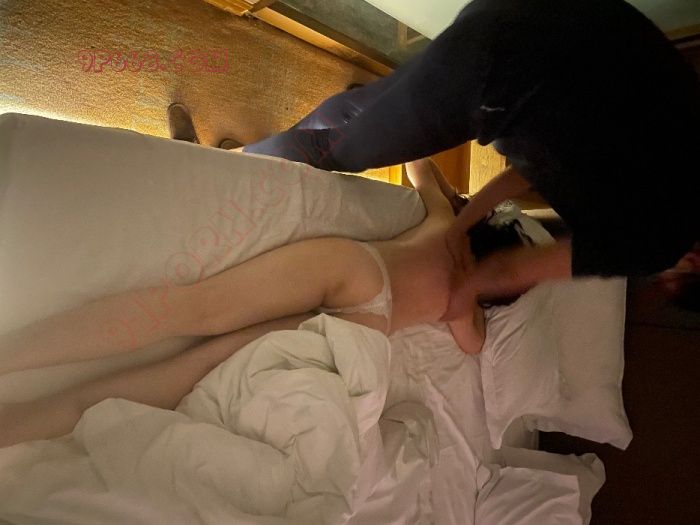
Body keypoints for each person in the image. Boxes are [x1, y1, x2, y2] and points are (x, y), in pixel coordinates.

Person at [0, 159, 533, 447]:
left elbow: (420, 164)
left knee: (192, 308)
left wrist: (458, 201)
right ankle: (21, 422)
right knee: (190, 372)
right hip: (363, 330)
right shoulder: (467, 308)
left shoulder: (446, 228)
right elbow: (474, 348)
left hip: (359, 272)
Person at [243, 0, 699, 314]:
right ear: (694, 263)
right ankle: (241, 161)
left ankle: (304, 135)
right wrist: (462, 298)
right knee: (336, 153)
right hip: (501, 68)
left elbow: (528, 172)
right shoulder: (662, 239)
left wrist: (462, 224)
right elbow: (510, 269)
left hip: (535, 18)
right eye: (671, 276)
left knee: (367, 108)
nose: (659, 275)